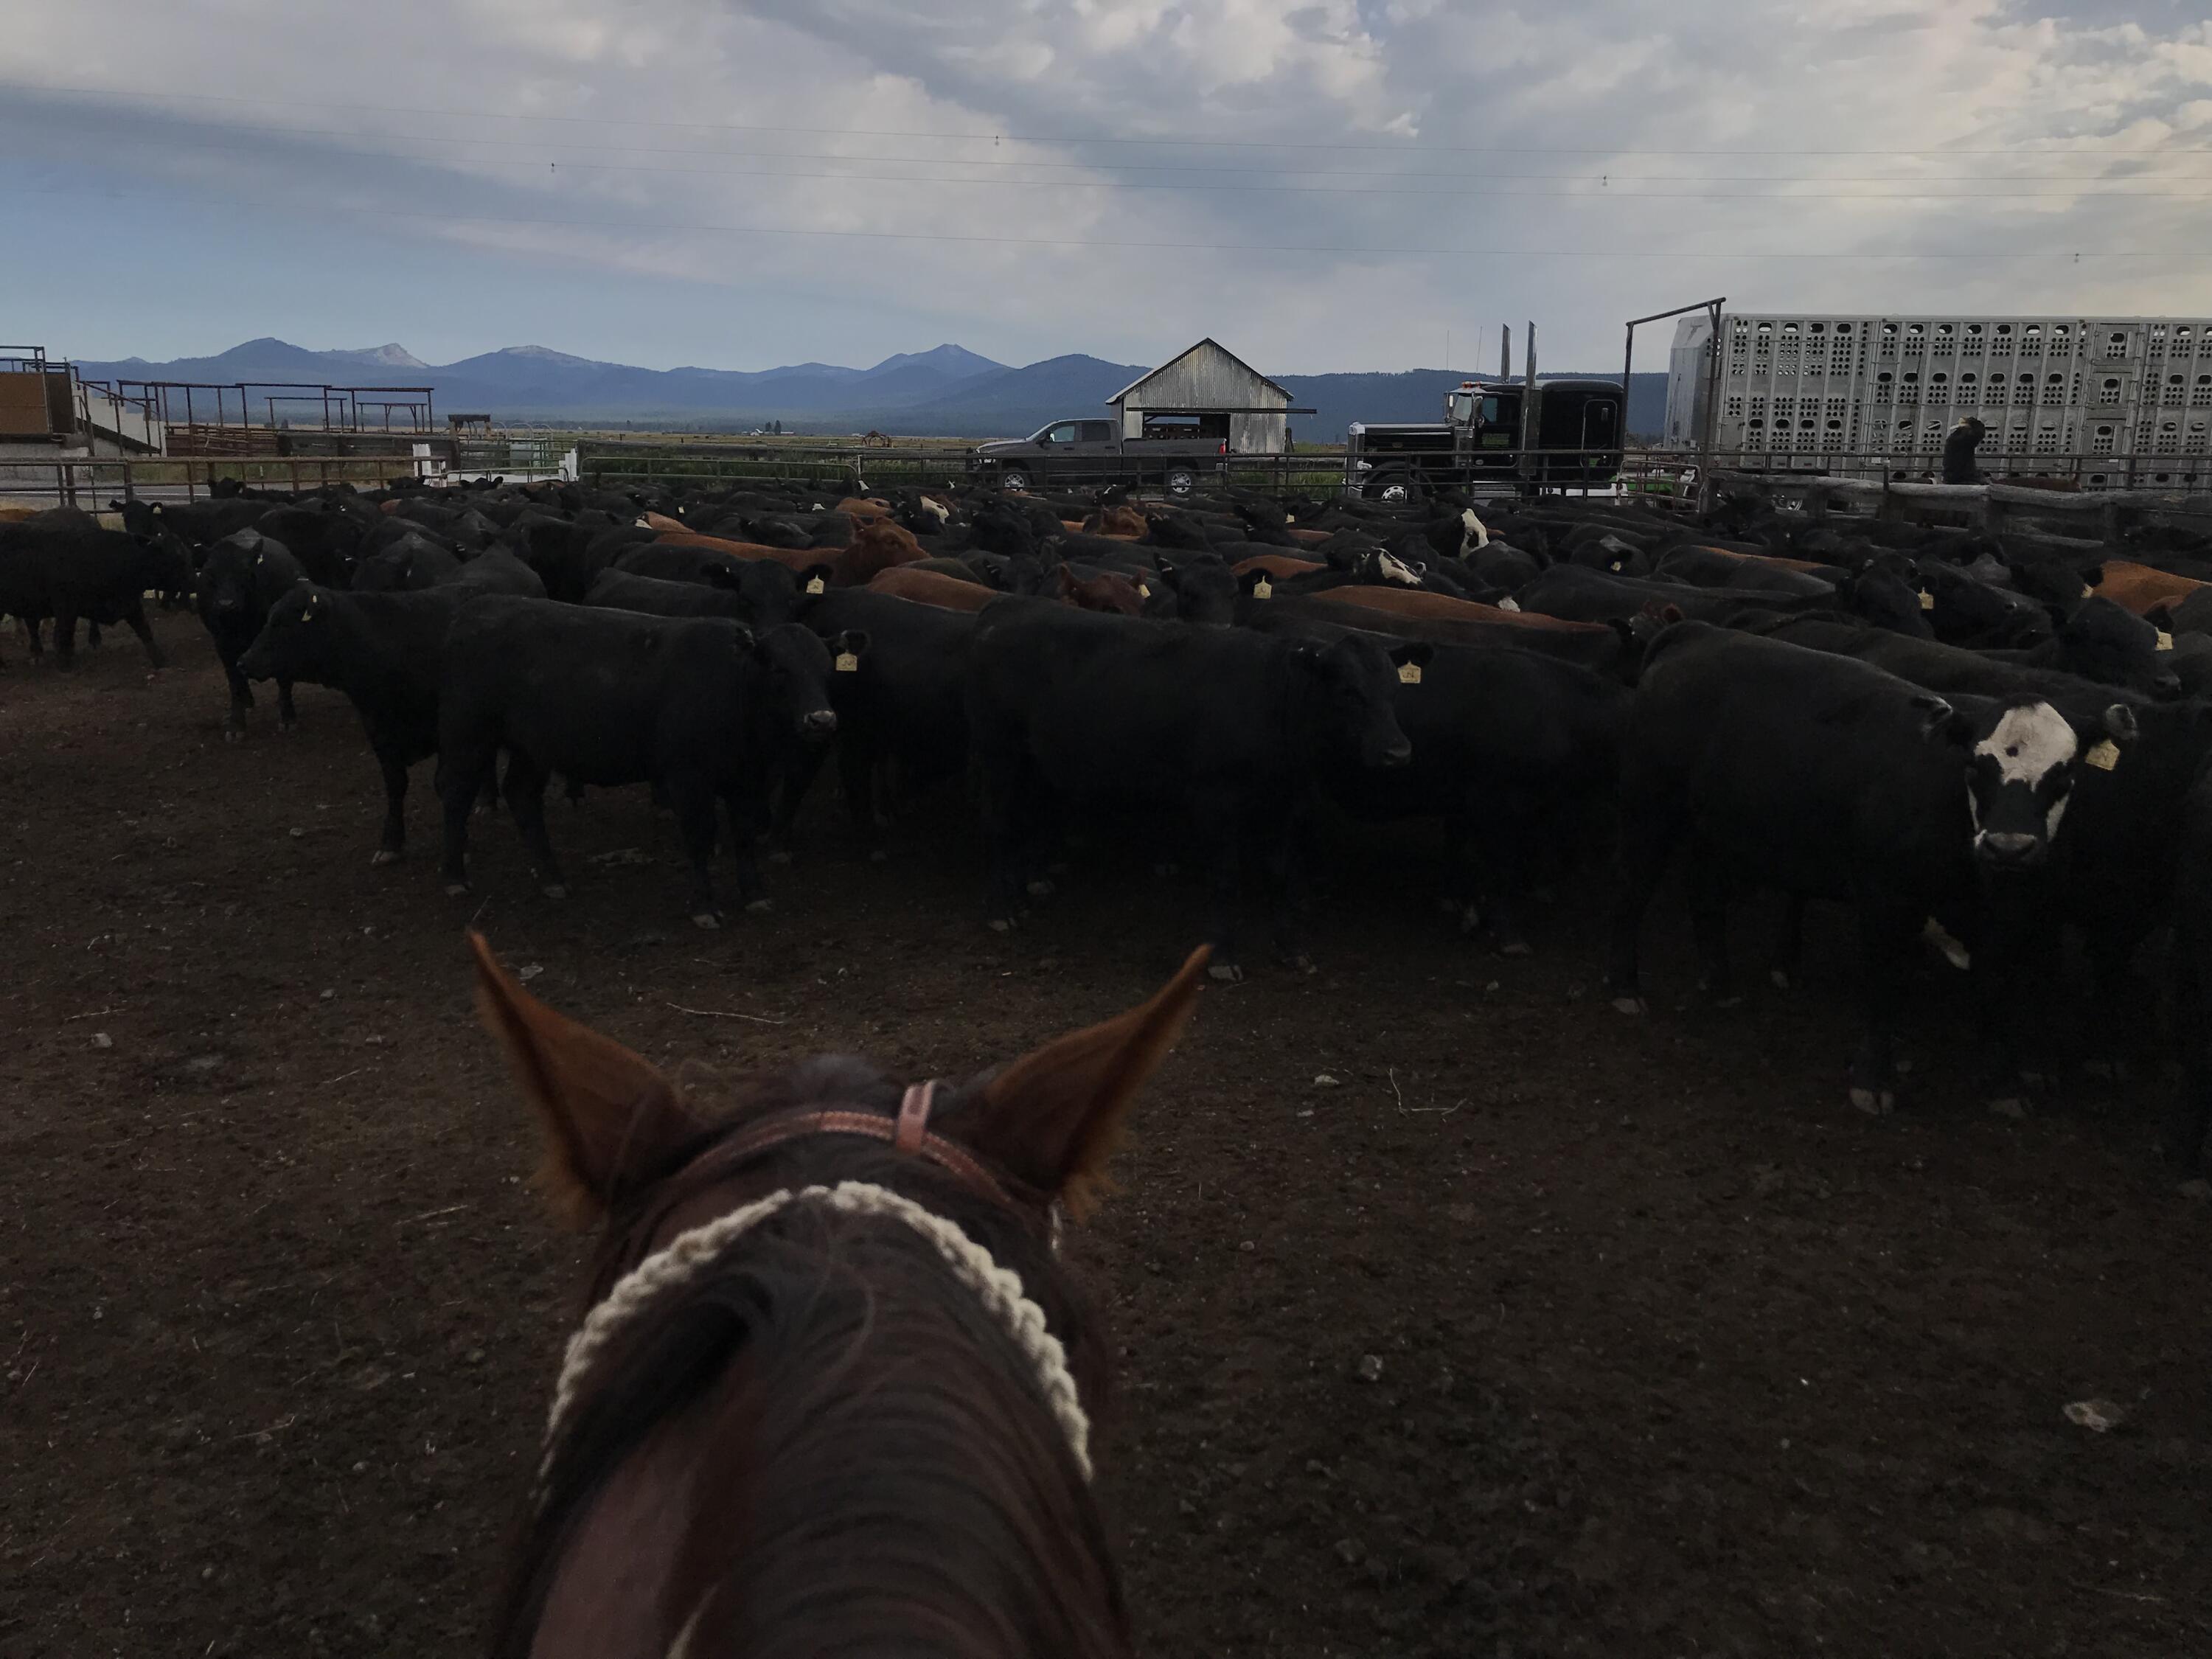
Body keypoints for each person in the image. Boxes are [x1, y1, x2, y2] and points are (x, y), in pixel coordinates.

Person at [1941, 416, 1987, 484]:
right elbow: (1980, 433)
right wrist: (1972, 422)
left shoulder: (1953, 438)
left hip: (1951, 476)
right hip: (1964, 476)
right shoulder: (1966, 439)